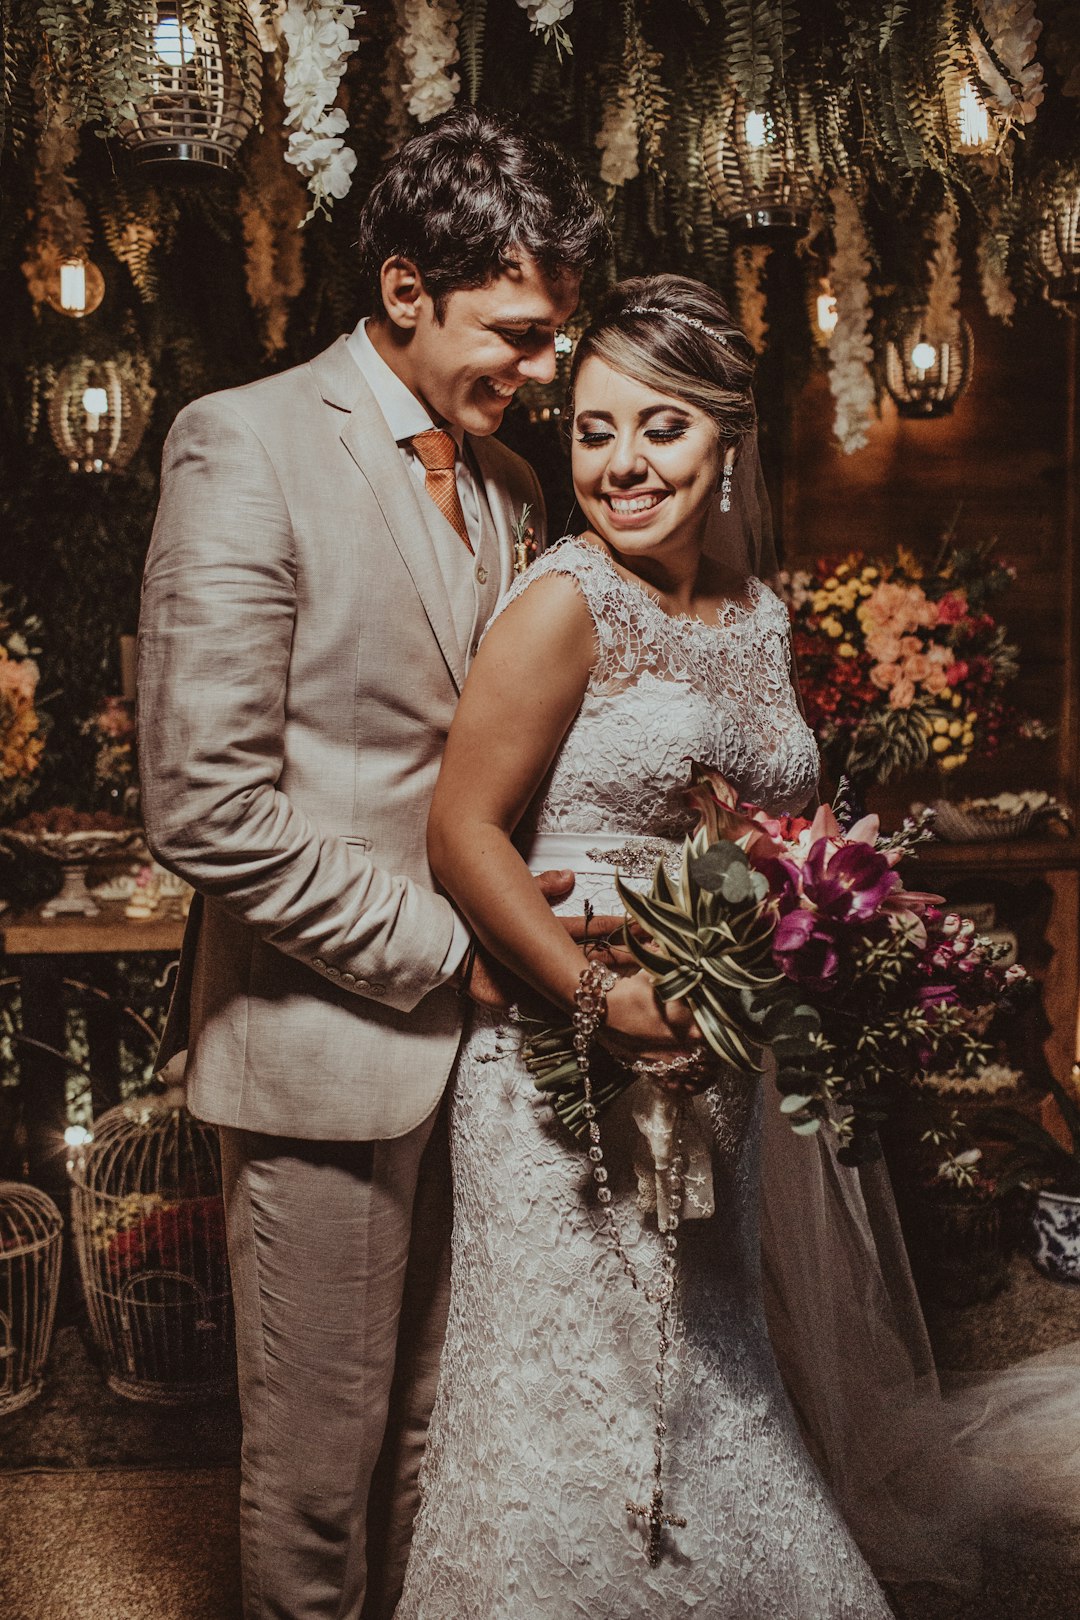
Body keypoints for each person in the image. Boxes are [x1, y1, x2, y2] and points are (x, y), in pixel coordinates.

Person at [137, 108, 609, 1620]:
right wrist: (443, 951)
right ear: (407, 288)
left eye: (555, 341)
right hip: (321, 1047)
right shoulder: (245, 441)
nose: (543, 376)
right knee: (319, 1480)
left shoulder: (513, 490)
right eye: (519, 334)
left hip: (492, 1061)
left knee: (435, 1449)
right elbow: (204, 804)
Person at [398, 274, 895, 1617]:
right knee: (581, 1414)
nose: (621, 464)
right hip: (561, 1068)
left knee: (707, 1374)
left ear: (727, 439)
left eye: (660, 429)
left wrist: (819, 909)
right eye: (595, 429)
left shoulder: (757, 611)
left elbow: (773, 823)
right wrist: (598, 1003)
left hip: (715, 1061)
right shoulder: (566, 606)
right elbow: (462, 834)